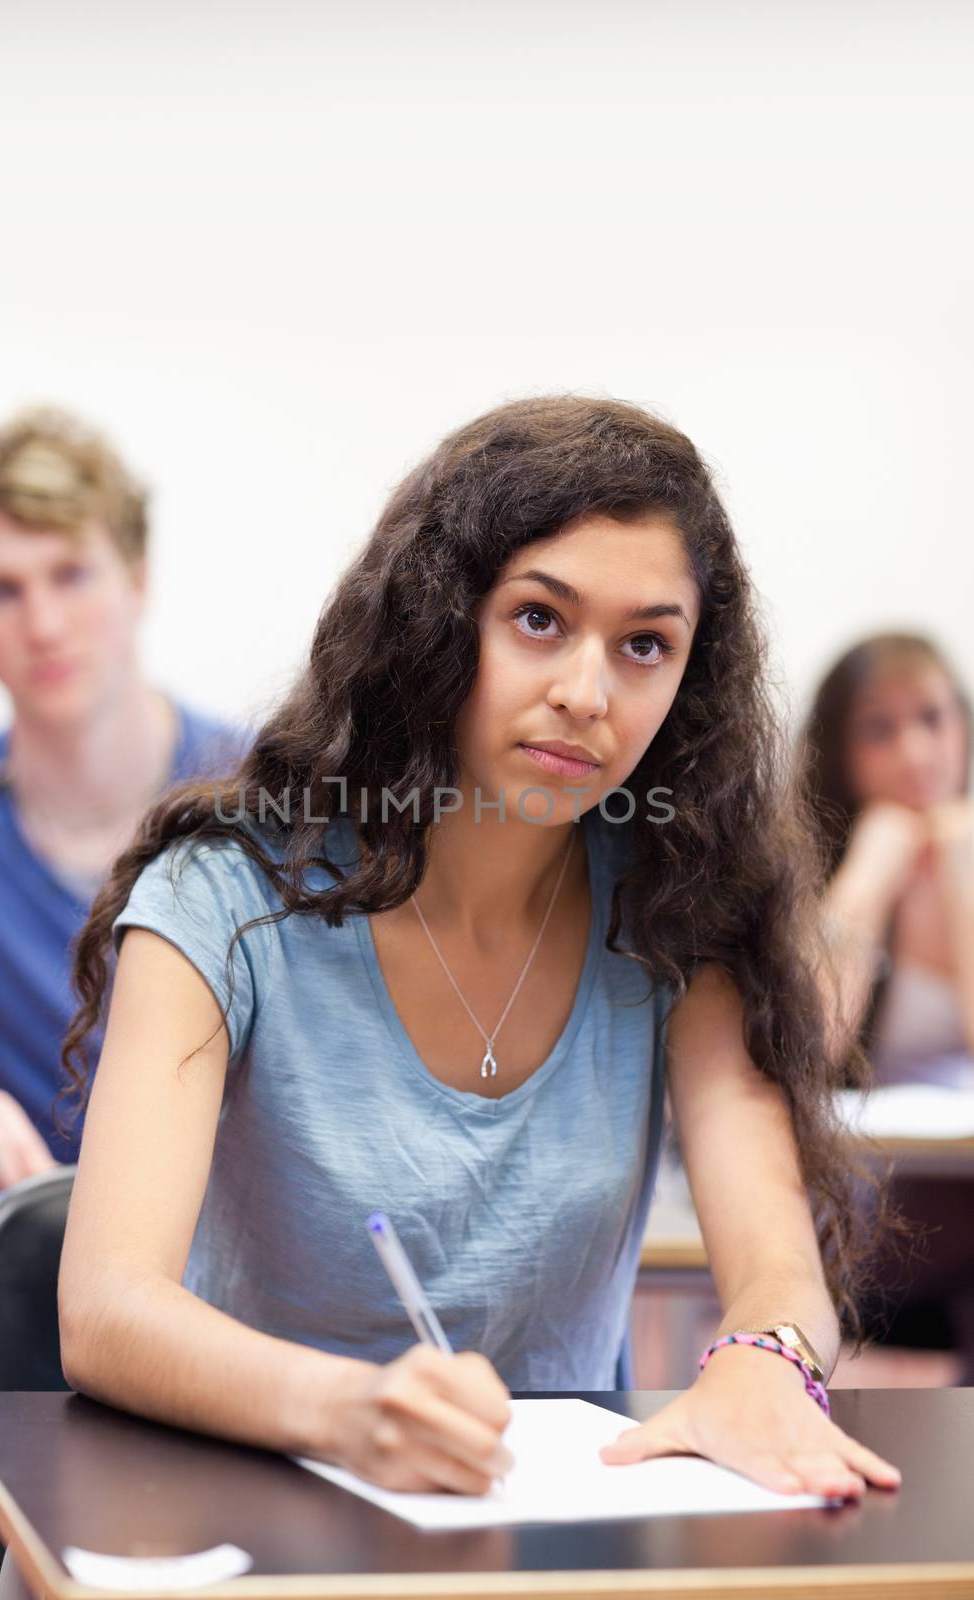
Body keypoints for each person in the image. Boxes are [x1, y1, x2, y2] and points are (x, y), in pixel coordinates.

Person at [57, 395, 902, 1505]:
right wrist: (346, 1409)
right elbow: (105, 1309)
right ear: (438, 618)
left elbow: (776, 1266)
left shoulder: (678, 905)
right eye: (539, 619)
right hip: (243, 1515)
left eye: (644, 644)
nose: (585, 694)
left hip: (542, 1535)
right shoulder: (223, 893)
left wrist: (763, 1356)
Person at [0, 406, 247, 1201]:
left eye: (70, 575)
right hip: (22, 1271)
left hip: (229, 1274)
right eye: (1, 591)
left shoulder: (262, 791)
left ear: (136, 577)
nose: (45, 625)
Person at [800, 631, 974, 1381]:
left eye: (931, 719)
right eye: (879, 728)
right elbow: (810, 1048)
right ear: (838, 751)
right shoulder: (803, 864)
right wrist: (870, 871)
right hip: (869, 1195)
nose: (914, 751)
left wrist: (962, 876)